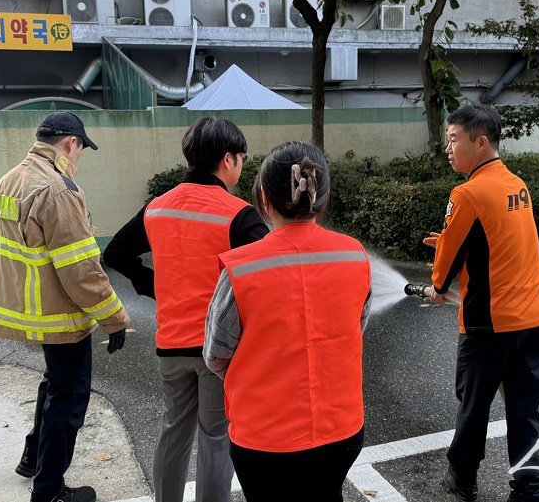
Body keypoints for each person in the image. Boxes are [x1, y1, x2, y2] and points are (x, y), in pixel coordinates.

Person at [102, 117, 268, 502]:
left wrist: (152, 285)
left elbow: (115, 253)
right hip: (218, 349)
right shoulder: (238, 214)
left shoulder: (158, 208)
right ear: (228, 159)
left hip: (171, 344)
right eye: (241, 157)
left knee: (174, 428)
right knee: (215, 435)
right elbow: (263, 276)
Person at [203, 141, 372, 502]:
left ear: (264, 199)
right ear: (322, 199)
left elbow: (216, 353)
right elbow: (355, 328)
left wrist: (257, 371)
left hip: (265, 439)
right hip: (341, 430)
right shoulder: (354, 255)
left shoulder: (242, 267)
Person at [0, 111, 130, 502]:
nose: (79, 157)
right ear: (72, 143)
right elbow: (82, 270)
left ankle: (33, 457)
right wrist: (114, 319)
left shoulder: (10, 180)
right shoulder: (58, 189)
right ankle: (49, 491)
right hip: (60, 313)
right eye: (82, 149)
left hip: (27, 306)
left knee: (54, 384)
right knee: (67, 399)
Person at [421, 105, 539, 502]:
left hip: (491, 327)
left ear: (480, 142)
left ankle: (463, 479)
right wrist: (449, 243)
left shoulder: (467, 192)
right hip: (537, 320)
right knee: (524, 411)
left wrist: (437, 285)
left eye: (453, 140)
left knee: (474, 407)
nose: (448, 148)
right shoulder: (517, 185)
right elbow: (499, 243)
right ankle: (532, 489)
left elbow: (442, 275)